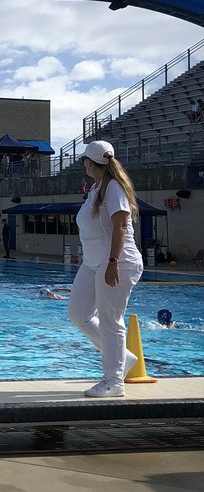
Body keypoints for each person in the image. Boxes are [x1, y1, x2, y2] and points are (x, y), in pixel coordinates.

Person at [68, 140, 144, 398]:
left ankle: (114, 381)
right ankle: (124, 358)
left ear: (89, 163)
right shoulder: (98, 188)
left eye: (84, 161)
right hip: (93, 262)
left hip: (117, 262)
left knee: (111, 321)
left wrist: (113, 263)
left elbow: (121, 226)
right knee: (79, 314)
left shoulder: (114, 188)